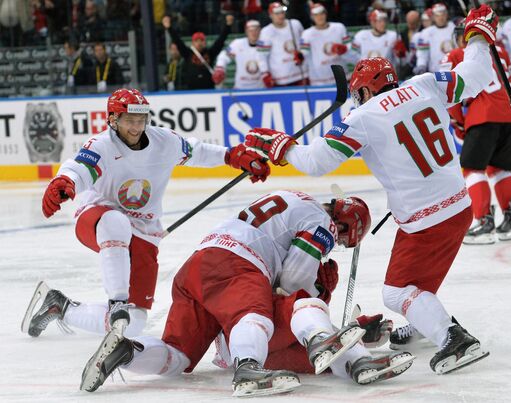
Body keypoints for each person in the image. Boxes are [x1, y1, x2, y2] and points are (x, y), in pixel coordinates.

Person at [245, 4, 500, 375]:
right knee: (418, 284)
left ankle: (454, 339)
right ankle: (425, 325)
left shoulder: (362, 117)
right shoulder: (425, 83)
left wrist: (283, 148)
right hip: (460, 207)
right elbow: (475, 73)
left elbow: (316, 162)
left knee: (396, 292)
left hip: (424, 220)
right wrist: (478, 35)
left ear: (364, 90)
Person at [79, 190, 413, 396]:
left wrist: (349, 334)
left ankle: (127, 352)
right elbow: (295, 276)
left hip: (197, 268)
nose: (333, 246)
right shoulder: (320, 220)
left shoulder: (293, 202)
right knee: (278, 309)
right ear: (340, 225)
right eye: (339, 240)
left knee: (176, 355)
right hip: (236, 265)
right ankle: (249, 370)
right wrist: (307, 303)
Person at [21, 88, 270, 342]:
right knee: (115, 221)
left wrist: (232, 156)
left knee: (135, 322)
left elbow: (198, 152)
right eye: (130, 120)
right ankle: (117, 300)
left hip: (144, 230)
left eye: (141, 120)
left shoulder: (165, 141)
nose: (137, 126)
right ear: (113, 119)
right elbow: (81, 167)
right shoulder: (101, 145)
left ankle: (60, 307)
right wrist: (66, 181)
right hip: (97, 219)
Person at [441, 22, 511, 245]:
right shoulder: (501, 51)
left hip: (484, 115)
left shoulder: (457, 53)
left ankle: (484, 222)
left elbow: (450, 90)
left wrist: (459, 120)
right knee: (500, 169)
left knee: (473, 169)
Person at [162, 13, 234, 89]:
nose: (199, 43)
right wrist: (169, 28)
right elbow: (177, 41)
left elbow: (220, 41)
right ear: (193, 43)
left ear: (205, 43)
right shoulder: (188, 53)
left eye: (201, 41)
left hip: (208, 90)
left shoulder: (210, 53)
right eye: (196, 41)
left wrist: (228, 25)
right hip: (191, 91)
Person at [299, 3, 352, 86]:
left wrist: (344, 50)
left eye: (321, 13)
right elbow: (303, 53)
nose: (319, 17)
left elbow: (351, 49)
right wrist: (299, 56)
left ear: (325, 14)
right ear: (312, 17)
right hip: (319, 81)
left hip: (342, 77)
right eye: (316, 15)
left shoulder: (339, 27)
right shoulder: (306, 34)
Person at [258, 2, 307, 87]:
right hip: (281, 78)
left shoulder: (295, 24)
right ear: (271, 15)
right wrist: (265, 73)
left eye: (282, 12)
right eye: (277, 13)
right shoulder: (266, 32)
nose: (280, 15)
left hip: (301, 74)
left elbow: (304, 44)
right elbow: (261, 55)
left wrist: (302, 54)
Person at [213, 19, 264, 89]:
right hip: (240, 88)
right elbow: (224, 55)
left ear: (260, 31)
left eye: (256, 30)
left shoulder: (266, 44)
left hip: (261, 89)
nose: (253, 33)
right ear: (246, 31)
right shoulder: (237, 44)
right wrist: (220, 68)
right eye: (251, 30)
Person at [415, 3, 455, 73]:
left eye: (443, 14)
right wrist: (421, 65)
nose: (440, 18)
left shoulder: (455, 28)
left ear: (447, 15)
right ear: (433, 17)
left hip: (454, 70)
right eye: (437, 15)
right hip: (435, 73)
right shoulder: (425, 33)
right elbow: (422, 53)